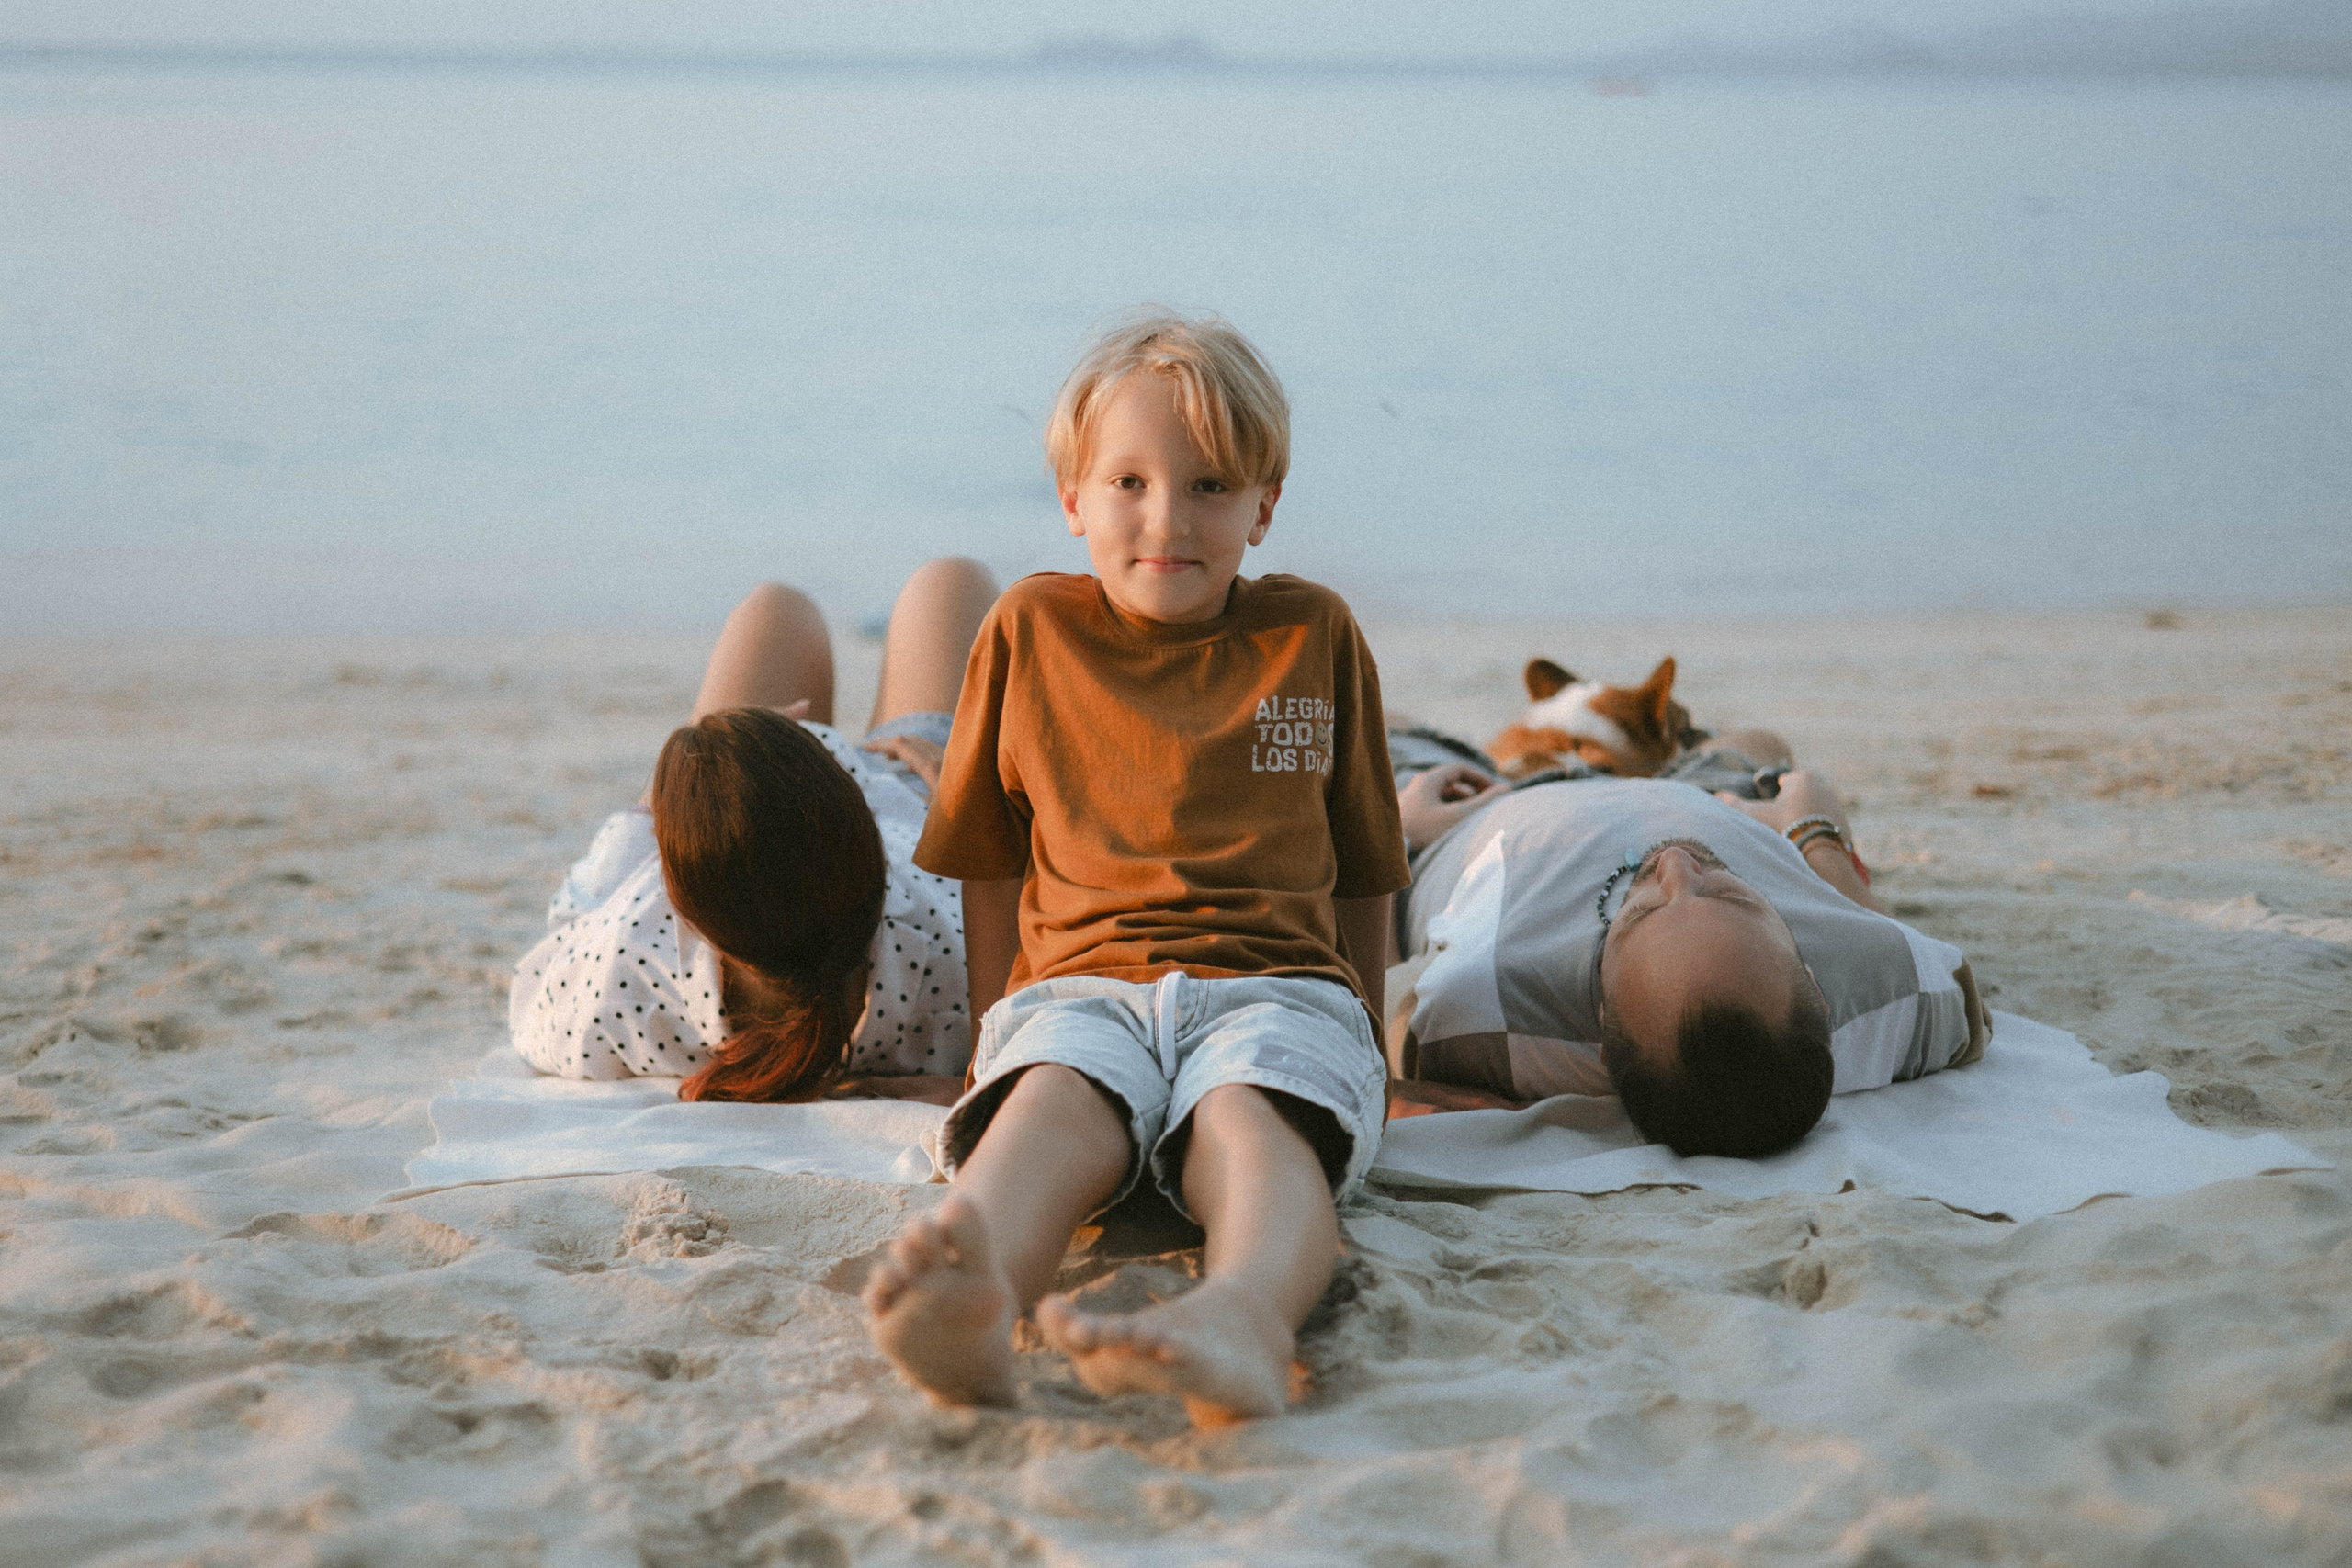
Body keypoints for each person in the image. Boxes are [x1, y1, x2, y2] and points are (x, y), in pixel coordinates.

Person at [860, 311, 1409, 1426]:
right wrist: (987, 1037)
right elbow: (987, 864)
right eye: (1129, 483)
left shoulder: (1313, 635)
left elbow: (1363, 868)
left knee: (1251, 1119)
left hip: (1278, 988)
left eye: (1210, 487)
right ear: (1072, 499)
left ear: (1265, 505)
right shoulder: (1026, 631)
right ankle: (982, 1294)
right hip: (1080, 986)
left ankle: (1245, 1315)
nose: (1169, 520)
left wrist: (1376, 1049)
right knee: (1050, 1102)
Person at [508, 558, 999, 1104]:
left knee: (776, 608)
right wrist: (973, 806)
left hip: (813, 826)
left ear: (686, 909)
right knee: (948, 582)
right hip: (919, 800)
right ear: (872, 855)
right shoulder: (963, 960)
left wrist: (666, 802)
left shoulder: (626, 978)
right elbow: (1034, 911)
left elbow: (554, 954)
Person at [1385, 730, 1989, 1156]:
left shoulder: (1484, 1002)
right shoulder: (1870, 985)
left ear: (1601, 1022)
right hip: (1708, 798)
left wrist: (1393, 825)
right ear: (1815, 985)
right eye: (1734, 897)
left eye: (1640, 912)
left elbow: (1364, 998)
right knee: (1759, 740)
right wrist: (1816, 830)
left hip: (1473, 805)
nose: (1674, 863)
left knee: (1389, 729)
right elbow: (1960, 998)